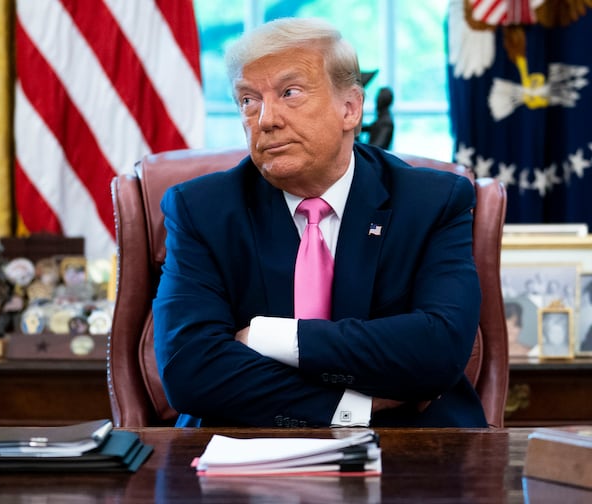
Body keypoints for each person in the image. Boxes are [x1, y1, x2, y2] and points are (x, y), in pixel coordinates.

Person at [153, 18, 485, 428]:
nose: (265, 120)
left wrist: (268, 337)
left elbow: (439, 349)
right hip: (245, 445)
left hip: (413, 443)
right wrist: (353, 408)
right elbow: (190, 372)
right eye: (248, 100)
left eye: (289, 93)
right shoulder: (201, 209)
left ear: (350, 108)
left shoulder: (432, 201)